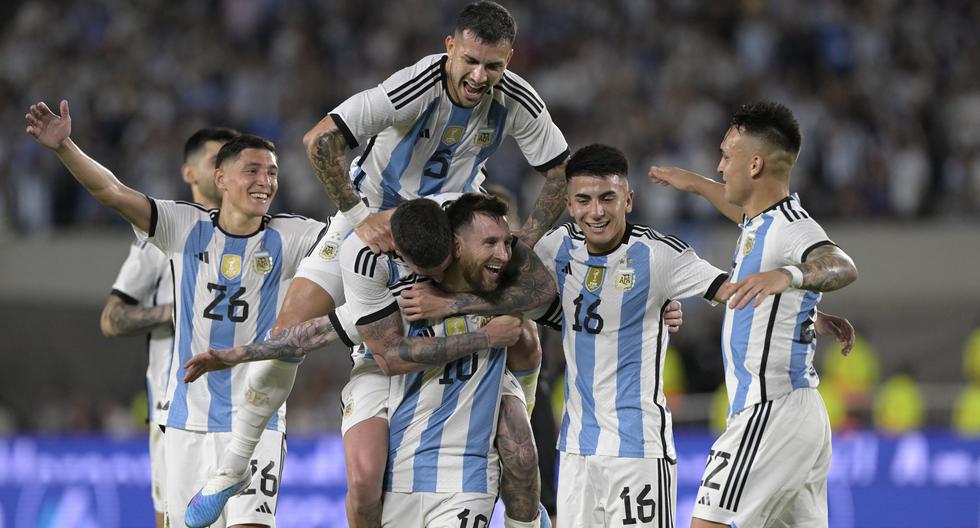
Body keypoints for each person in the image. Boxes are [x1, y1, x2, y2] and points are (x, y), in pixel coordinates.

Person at [203, 3, 572, 525]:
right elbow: (319, 140)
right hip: (373, 221)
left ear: (509, 60)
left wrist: (526, 240)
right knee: (288, 330)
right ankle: (235, 466)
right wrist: (357, 215)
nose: (479, 76)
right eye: (469, 60)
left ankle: (520, 415)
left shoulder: (516, 99)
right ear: (450, 46)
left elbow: (561, 173)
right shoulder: (414, 86)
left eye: (493, 66)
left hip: (453, 225)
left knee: (526, 319)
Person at [25, 99, 327, 528]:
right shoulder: (182, 226)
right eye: (254, 171)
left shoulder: (295, 235)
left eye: (273, 172)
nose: (266, 181)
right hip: (186, 422)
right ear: (219, 178)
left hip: (254, 420)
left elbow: (353, 245)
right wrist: (65, 147)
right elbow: (112, 191)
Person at [185, 193, 562, 528]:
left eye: (504, 243)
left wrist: (454, 304)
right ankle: (232, 467)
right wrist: (238, 353)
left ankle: (526, 512)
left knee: (522, 443)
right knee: (365, 481)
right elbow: (330, 334)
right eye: (492, 244)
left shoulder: (489, 245)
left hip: (464, 453)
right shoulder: (370, 262)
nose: (501, 252)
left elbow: (543, 298)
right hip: (380, 352)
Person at [650, 101, 859, 528]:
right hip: (796, 415)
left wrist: (790, 276)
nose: (720, 166)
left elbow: (840, 264)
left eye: (727, 156)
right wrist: (696, 184)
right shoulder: (760, 224)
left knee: (709, 524)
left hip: (770, 410)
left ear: (756, 164)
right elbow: (741, 216)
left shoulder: (789, 226)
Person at [99, 127, 238, 528]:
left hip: (239, 408)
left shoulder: (261, 237)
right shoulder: (162, 236)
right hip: (172, 407)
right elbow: (112, 318)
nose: (224, 169)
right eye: (215, 160)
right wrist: (176, 312)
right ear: (189, 173)